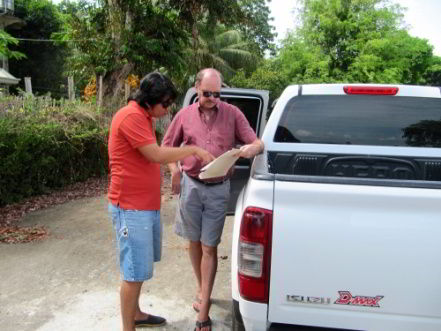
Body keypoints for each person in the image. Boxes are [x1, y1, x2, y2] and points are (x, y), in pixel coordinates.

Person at [107, 72, 214, 331]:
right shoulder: (131, 116)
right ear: (149, 99)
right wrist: (193, 149)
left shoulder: (143, 116)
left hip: (144, 205)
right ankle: (127, 327)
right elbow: (155, 154)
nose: (167, 110)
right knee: (133, 273)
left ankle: (137, 313)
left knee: (140, 268)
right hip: (131, 207)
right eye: (165, 104)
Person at [162, 68, 264, 331]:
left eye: (217, 94)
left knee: (210, 246)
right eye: (207, 93)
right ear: (197, 88)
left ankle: (204, 309)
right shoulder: (184, 115)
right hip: (191, 186)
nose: (212, 99)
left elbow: (257, 143)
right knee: (193, 242)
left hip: (219, 189)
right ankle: (201, 288)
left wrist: (248, 149)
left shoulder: (233, 114)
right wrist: (174, 171)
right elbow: (167, 147)